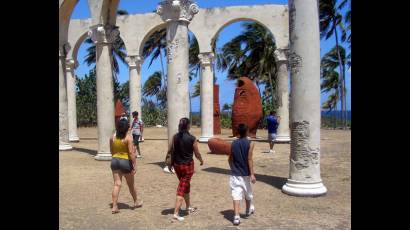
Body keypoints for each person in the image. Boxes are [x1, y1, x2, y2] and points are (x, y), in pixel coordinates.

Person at [168, 117, 204, 221]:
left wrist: (170, 164)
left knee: (186, 185)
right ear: (188, 126)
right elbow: (197, 153)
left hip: (177, 166)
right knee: (181, 188)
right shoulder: (192, 138)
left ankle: (188, 207)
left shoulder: (174, 137)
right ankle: (176, 213)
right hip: (187, 167)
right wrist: (201, 160)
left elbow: (170, 151)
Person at [110, 119, 143, 214]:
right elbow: (131, 153)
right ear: (126, 128)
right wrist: (134, 165)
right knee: (131, 185)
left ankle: (114, 206)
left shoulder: (112, 137)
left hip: (115, 160)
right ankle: (136, 202)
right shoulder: (128, 138)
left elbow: (111, 151)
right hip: (125, 162)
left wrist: (116, 157)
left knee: (117, 184)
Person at [228, 123, 256, 226]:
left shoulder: (233, 143)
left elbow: (230, 159)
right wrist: (252, 174)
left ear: (238, 132)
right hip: (246, 174)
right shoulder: (250, 143)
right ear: (247, 131)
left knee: (236, 195)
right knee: (248, 193)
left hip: (235, 174)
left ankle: (236, 217)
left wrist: (232, 168)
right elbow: (249, 159)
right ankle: (248, 210)